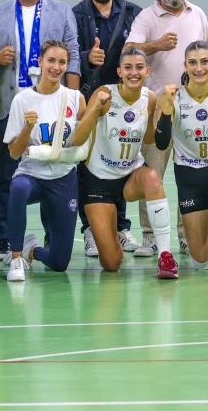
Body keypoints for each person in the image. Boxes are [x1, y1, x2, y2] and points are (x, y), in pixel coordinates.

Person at [0, 0, 79, 260]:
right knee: (6, 176)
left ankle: (51, 236)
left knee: (53, 170)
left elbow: (73, 56)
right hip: (12, 104)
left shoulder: (61, 10)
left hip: (53, 105)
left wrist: (72, 98)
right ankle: (5, 239)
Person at [70, 48, 179, 278]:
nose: (134, 72)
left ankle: (165, 256)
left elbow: (149, 139)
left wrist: (165, 112)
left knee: (151, 177)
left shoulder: (149, 98)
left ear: (147, 71)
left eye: (139, 67)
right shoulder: (104, 94)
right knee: (112, 263)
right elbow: (78, 139)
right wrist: (95, 109)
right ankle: (111, 235)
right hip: (98, 181)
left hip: (129, 177)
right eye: (128, 67)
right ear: (119, 72)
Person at [126, 0, 208, 256]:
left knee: (191, 174)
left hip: (192, 110)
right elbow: (128, 50)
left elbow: (206, 56)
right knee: (152, 173)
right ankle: (150, 236)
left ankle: (187, 235)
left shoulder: (198, 14)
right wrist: (156, 45)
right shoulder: (147, 16)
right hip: (156, 109)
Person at [72, 0, 144, 256]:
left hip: (124, 103)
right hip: (92, 99)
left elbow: (140, 51)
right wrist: (87, 57)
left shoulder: (132, 12)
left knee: (122, 160)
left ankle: (122, 228)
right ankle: (90, 229)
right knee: (87, 165)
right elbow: (68, 54)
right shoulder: (76, 14)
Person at [154, 41, 208, 278]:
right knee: (201, 262)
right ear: (185, 66)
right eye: (192, 63)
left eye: (204, 62)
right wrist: (166, 110)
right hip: (188, 174)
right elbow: (161, 143)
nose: (199, 68)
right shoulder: (173, 97)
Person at [3, 40, 90, 280]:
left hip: (63, 177)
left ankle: (31, 250)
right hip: (32, 175)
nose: (56, 67)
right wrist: (27, 128)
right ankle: (16, 257)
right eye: (51, 60)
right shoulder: (22, 100)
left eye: (62, 62)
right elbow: (14, 152)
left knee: (59, 263)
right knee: (18, 188)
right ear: (40, 62)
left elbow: (82, 142)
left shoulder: (75, 98)